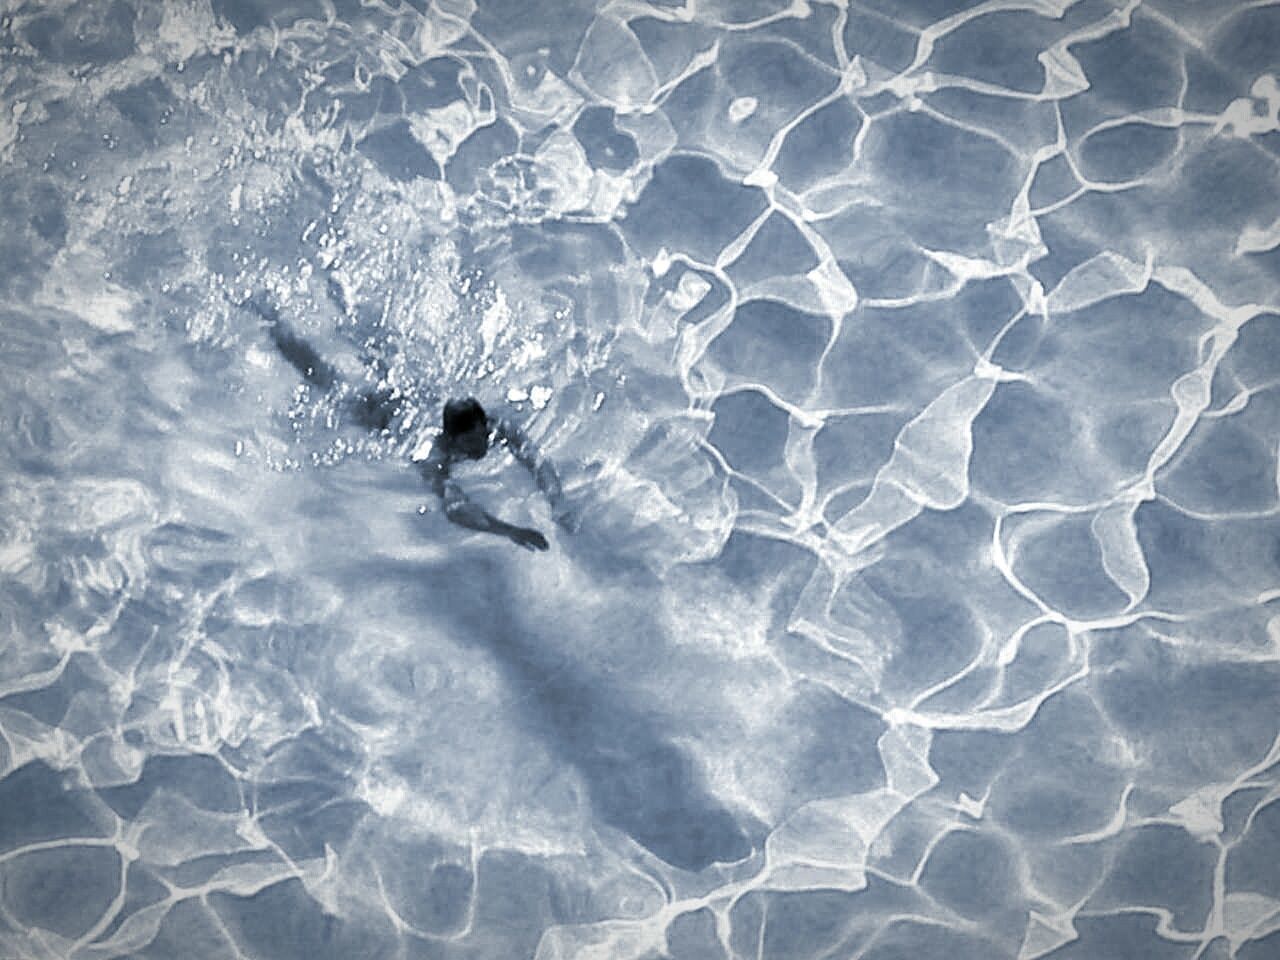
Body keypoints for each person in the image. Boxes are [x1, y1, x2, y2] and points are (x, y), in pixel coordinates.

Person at [254, 296, 564, 551]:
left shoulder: (494, 427)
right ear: (451, 439)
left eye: (481, 438)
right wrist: (508, 531)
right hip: (381, 417)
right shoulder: (431, 456)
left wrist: (556, 500)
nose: (480, 448)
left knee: (370, 344)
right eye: (469, 444)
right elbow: (455, 511)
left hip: (415, 399)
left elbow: (533, 457)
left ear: (485, 424)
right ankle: (271, 319)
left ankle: (340, 296)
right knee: (321, 374)